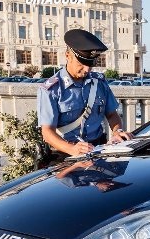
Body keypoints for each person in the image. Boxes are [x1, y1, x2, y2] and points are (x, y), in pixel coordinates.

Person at [37, 29, 133, 161]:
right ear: (67, 56)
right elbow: (47, 133)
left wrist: (118, 132)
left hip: (98, 150)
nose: (87, 69)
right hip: (65, 155)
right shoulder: (51, 89)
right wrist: (72, 149)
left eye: (90, 65)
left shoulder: (99, 82)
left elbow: (112, 114)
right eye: (81, 64)